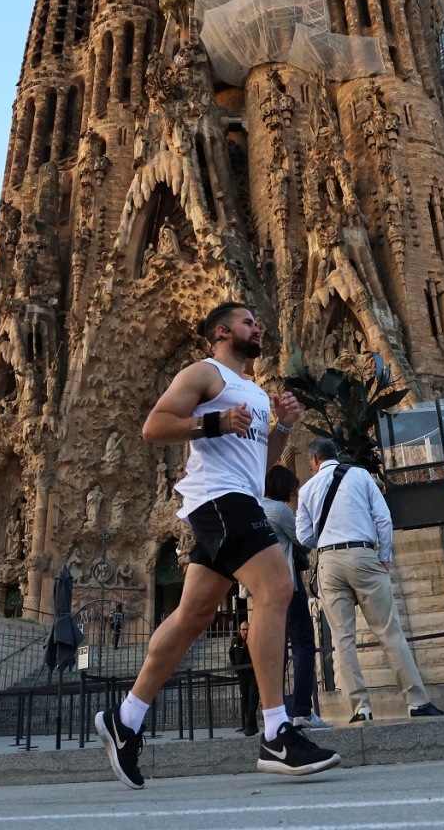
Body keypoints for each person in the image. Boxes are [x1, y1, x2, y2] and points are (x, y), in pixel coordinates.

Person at [94, 303, 340, 789]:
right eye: (249, 322)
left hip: (239, 495)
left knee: (192, 616)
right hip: (217, 499)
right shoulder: (203, 373)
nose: (258, 327)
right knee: (276, 589)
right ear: (223, 331)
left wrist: (284, 427)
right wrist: (213, 423)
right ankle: (276, 732)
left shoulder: (255, 395)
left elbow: (260, 462)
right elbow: (154, 427)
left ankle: (125, 720)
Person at [296, 437, 444, 724]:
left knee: (342, 640)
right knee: (389, 632)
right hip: (364, 555)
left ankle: (360, 709)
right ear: (336, 455)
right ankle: (416, 701)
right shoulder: (360, 475)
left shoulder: (307, 490)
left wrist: (327, 539)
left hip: (329, 562)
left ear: (313, 460)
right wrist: (384, 554)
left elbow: (304, 537)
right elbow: (384, 518)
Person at [262, 464, 330, 729]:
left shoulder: (256, 509)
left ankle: (276, 713)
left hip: (265, 590)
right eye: (292, 487)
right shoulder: (279, 510)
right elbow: (303, 540)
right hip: (289, 587)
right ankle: (302, 709)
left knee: (276, 652)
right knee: (303, 647)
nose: (294, 492)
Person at [229, 620, 259, 735]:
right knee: (245, 699)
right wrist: (236, 666)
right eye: (244, 629)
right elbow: (231, 653)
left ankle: (250, 726)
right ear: (239, 631)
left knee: (253, 698)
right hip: (242, 675)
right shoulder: (236, 642)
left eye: (248, 629)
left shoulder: (254, 641)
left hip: (253, 674)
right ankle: (251, 726)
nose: (246, 632)